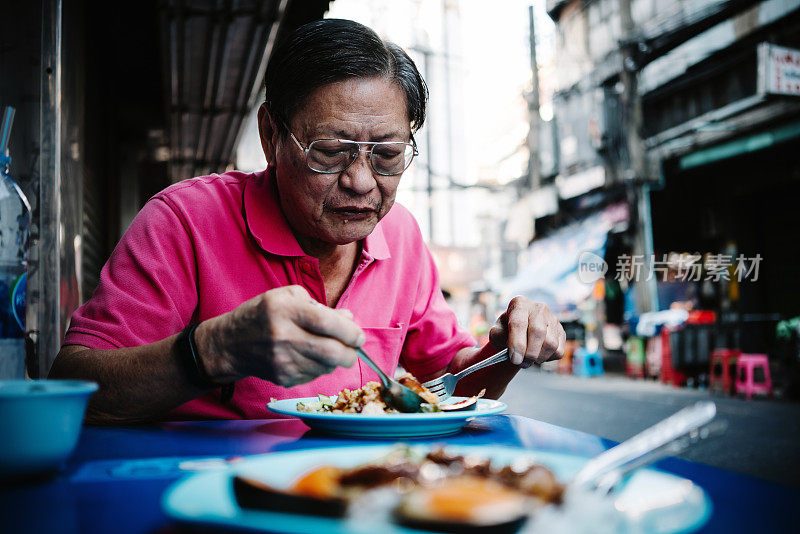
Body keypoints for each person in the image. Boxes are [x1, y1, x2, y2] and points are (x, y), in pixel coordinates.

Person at [49, 19, 565, 424]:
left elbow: (455, 386)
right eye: (331, 152)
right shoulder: (185, 221)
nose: (362, 182)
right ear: (271, 136)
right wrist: (212, 351)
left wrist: (508, 349)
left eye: (387, 155)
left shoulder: (400, 234)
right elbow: (74, 389)